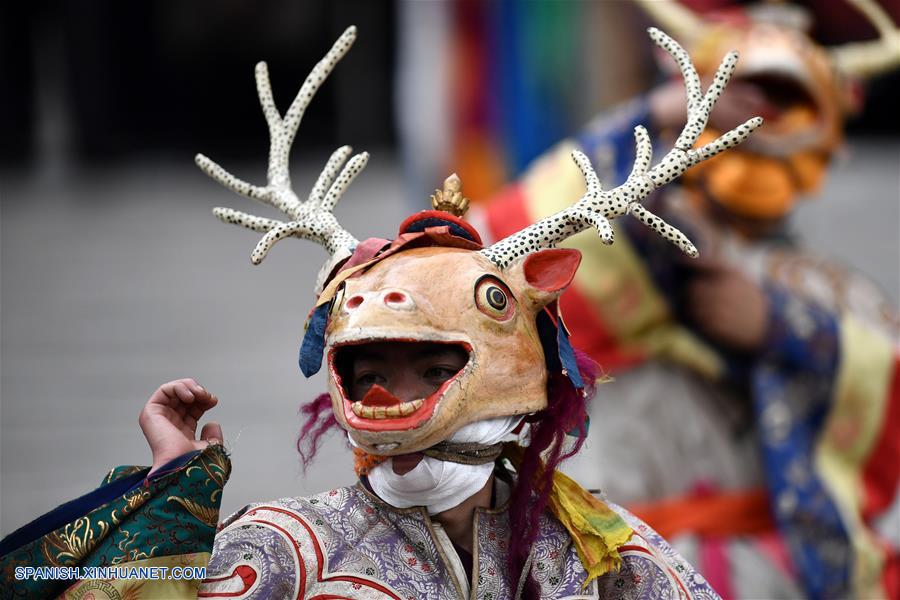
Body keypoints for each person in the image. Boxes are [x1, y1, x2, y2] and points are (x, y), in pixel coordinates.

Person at [0, 25, 760, 599]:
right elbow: (36, 581)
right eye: (374, 369)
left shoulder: (598, 551)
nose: (395, 394)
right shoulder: (288, 547)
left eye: (433, 366)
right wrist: (162, 500)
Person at [476, 2, 900, 598]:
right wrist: (657, 111)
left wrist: (782, 329)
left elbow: (883, 390)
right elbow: (502, 247)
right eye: (735, 101)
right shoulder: (632, 234)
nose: (754, 125)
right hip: (608, 559)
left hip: (762, 576)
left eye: (783, 104)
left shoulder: (830, 293)